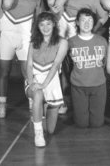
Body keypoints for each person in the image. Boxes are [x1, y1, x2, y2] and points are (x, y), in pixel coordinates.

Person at [25, 12, 68, 147]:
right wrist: (32, 82)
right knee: (37, 94)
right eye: (42, 24)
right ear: (37, 26)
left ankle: (41, 109)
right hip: (35, 78)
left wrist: (44, 84)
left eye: (48, 23)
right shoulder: (33, 42)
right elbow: (29, 64)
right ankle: (38, 133)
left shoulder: (62, 42)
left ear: (54, 24)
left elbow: (56, 65)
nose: (45, 27)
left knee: (50, 130)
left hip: (51, 81)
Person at [67, 8, 108, 128]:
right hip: (78, 86)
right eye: (83, 20)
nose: (86, 23)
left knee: (97, 124)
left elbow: (105, 63)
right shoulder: (70, 42)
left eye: (89, 20)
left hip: (98, 85)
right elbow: (66, 65)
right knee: (81, 124)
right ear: (77, 23)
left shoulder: (102, 41)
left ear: (94, 23)